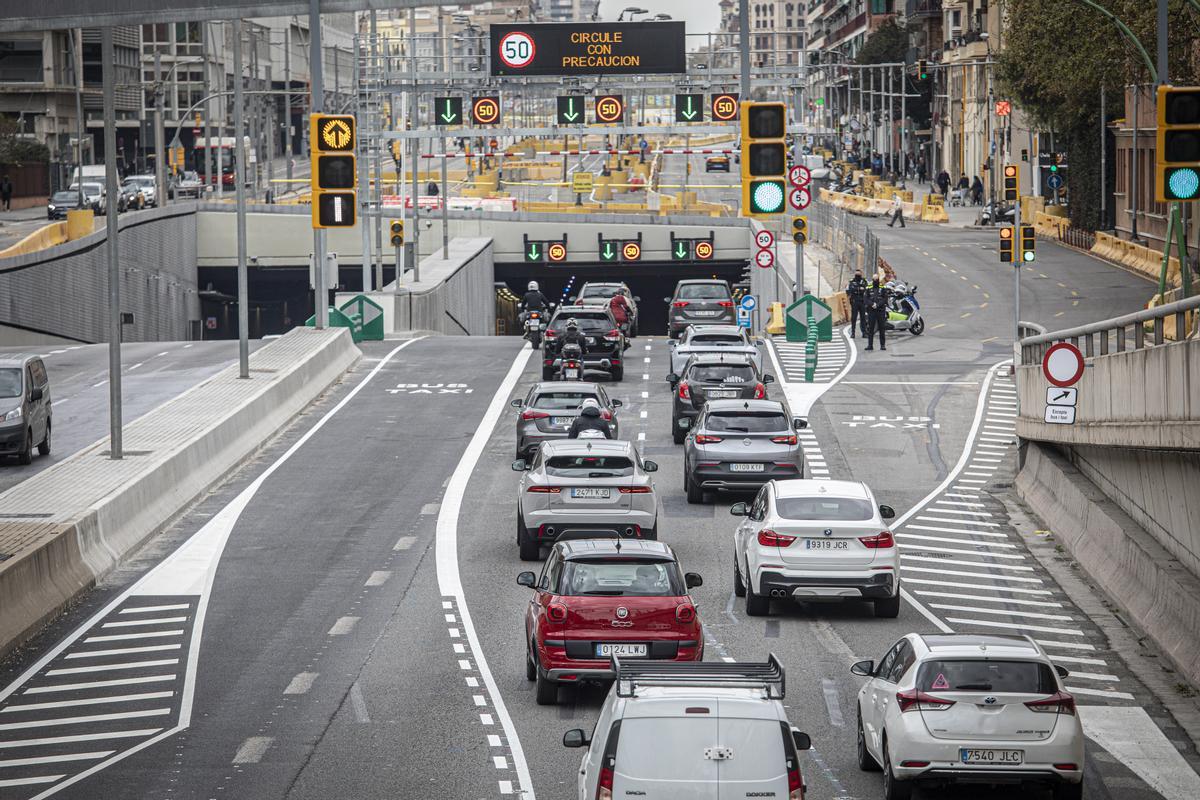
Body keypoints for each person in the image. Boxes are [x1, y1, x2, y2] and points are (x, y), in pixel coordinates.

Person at [863, 276, 889, 351]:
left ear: (878, 279)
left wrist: (878, 305)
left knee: (881, 328)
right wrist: (872, 304)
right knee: (871, 329)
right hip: (871, 311)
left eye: (876, 279)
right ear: (872, 280)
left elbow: (885, 298)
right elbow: (865, 299)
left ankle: (882, 345)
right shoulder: (868, 288)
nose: (875, 280)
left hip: (880, 310)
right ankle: (870, 345)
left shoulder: (883, 287)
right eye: (874, 279)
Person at [846, 269, 868, 338]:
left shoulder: (864, 281)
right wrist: (850, 297)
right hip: (854, 302)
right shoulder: (851, 281)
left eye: (859, 274)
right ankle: (853, 333)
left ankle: (864, 333)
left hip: (862, 302)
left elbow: (867, 290)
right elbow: (848, 291)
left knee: (863, 318)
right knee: (854, 318)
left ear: (861, 274)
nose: (857, 276)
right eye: (856, 274)